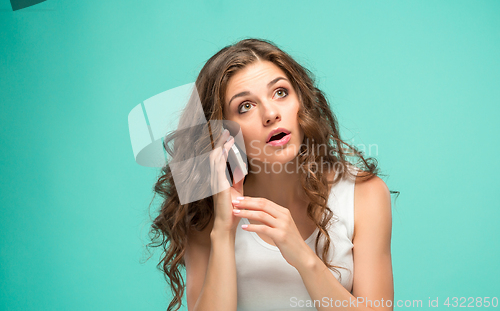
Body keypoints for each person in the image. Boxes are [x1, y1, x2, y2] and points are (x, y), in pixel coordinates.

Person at [147, 38, 396, 311]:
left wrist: (303, 257)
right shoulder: (206, 207)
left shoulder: (363, 193)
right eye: (245, 106)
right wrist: (222, 229)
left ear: (302, 101)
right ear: (223, 132)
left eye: (280, 93)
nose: (270, 113)